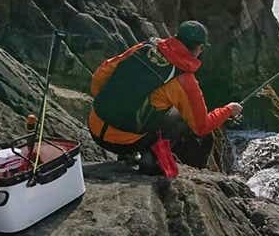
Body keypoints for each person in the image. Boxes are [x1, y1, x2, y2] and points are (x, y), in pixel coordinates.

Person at [88, 20, 243, 169]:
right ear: (199, 48)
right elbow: (201, 127)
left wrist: (108, 105)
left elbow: (100, 75)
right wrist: (229, 110)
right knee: (181, 119)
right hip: (125, 143)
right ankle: (152, 160)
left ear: (176, 37)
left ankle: (130, 154)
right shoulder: (184, 80)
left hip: (94, 126)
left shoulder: (144, 47)